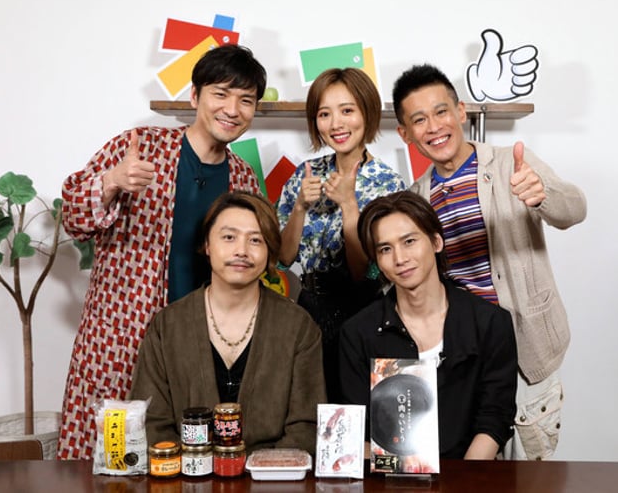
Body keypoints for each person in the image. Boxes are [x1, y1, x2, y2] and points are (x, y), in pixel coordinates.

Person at [58, 44, 267, 459]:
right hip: (121, 332)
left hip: (200, 338)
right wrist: (111, 182)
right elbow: (74, 219)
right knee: (108, 451)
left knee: (186, 451)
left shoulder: (243, 177)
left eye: (246, 100)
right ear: (195, 96)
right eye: (221, 94)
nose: (232, 109)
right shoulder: (140, 147)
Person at [392, 64, 587, 460]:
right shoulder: (415, 198)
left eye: (441, 111)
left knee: (528, 474)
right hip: (465, 355)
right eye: (419, 119)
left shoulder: (509, 164)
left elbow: (575, 209)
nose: (434, 127)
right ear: (405, 133)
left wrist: (542, 195)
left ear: (461, 111)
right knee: (474, 467)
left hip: (528, 349)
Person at [130, 191, 326, 453]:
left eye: (255, 240)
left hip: (272, 473)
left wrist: (262, 470)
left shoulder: (297, 326)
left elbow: (306, 426)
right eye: (229, 237)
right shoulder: (168, 325)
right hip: (184, 472)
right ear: (207, 245)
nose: (241, 251)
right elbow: (152, 422)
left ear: (269, 250)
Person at [339, 191, 517, 460]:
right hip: (389, 475)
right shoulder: (357, 334)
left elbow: (495, 417)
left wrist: (464, 478)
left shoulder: (490, 322)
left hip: (470, 471)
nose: (400, 258)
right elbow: (357, 430)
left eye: (409, 241)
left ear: (436, 241)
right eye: (385, 249)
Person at [276, 68, 405, 402]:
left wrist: (349, 204)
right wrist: (300, 207)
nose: (336, 124)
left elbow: (364, 273)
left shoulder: (388, 184)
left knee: (358, 405)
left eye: (347, 110)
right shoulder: (306, 174)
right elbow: (284, 258)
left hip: (365, 308)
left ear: (367, 112)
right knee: (308, 403)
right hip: (308, 306)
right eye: (324, 114)